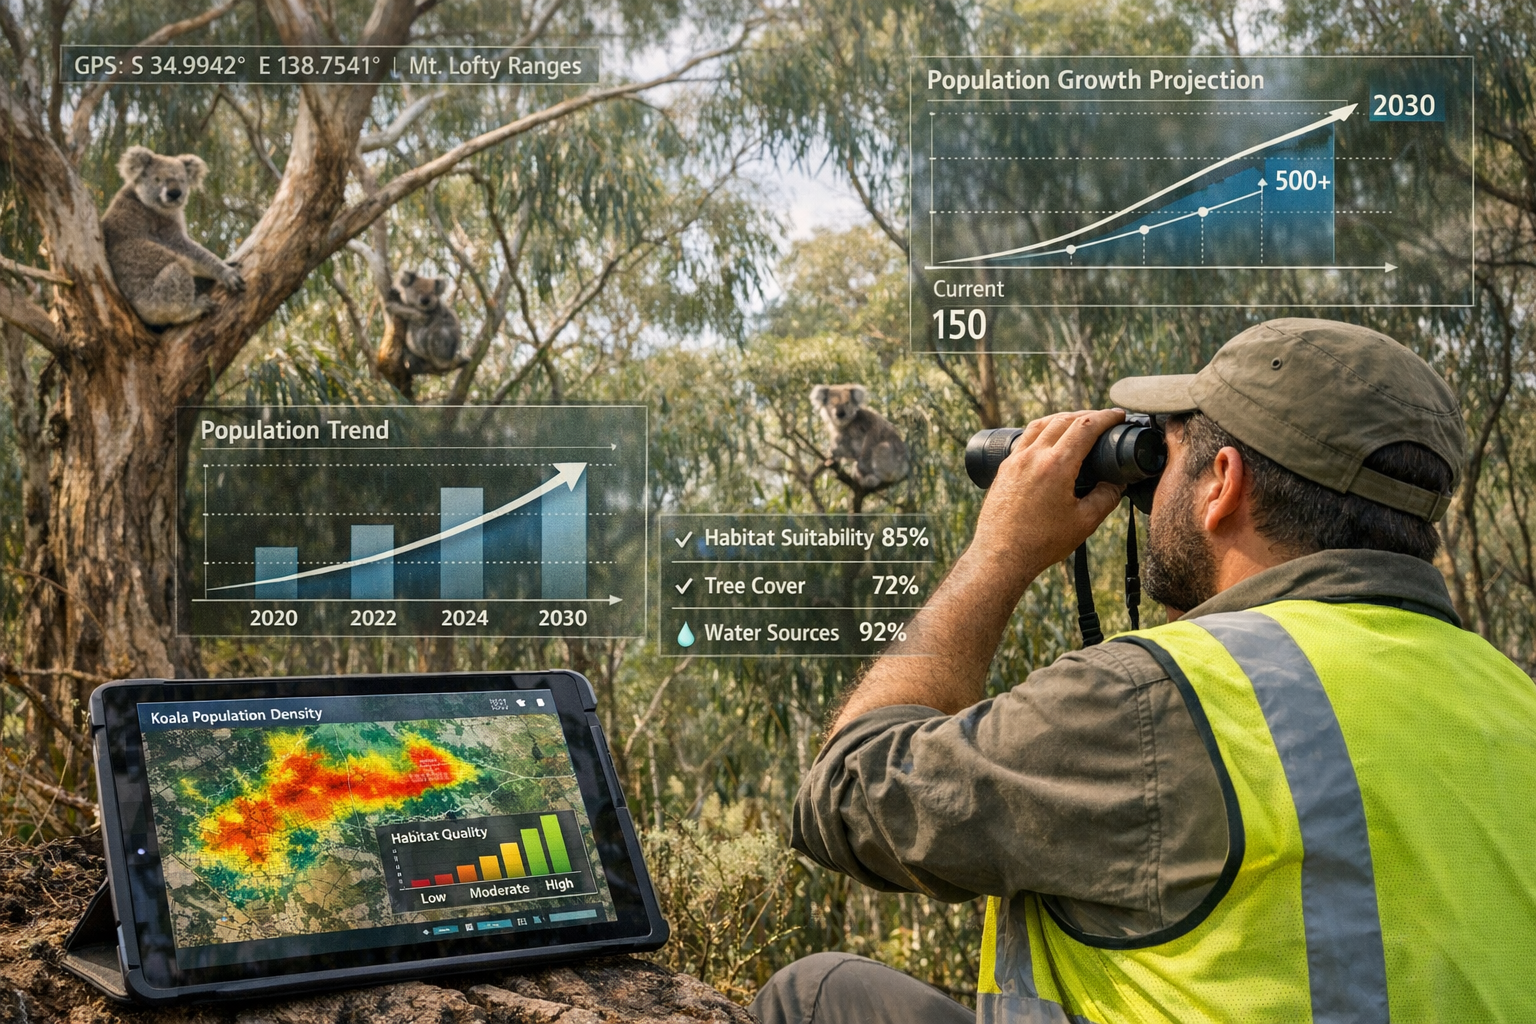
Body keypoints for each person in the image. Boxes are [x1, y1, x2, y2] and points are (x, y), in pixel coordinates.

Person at [752, 319, 1536, 1024]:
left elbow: (847, 794)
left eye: (1168, 455)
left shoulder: (1157, 697)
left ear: (1221, 482)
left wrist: (996, 556)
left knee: (815, 992)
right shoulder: (1512, 696)